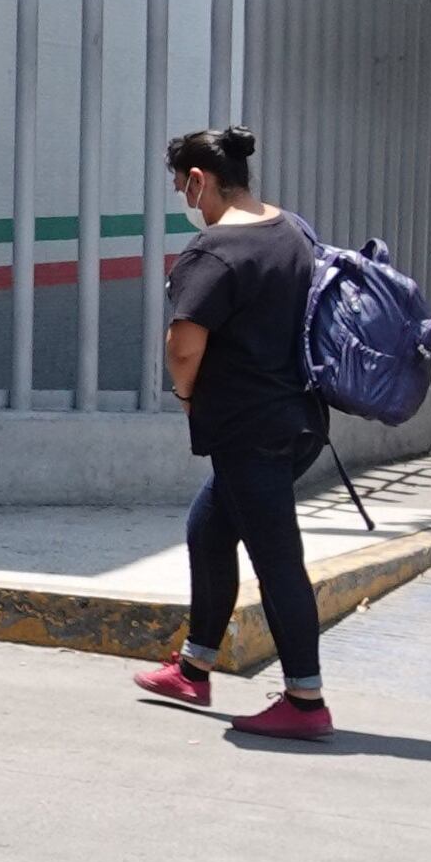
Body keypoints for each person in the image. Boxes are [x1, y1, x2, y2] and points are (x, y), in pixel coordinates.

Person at [126, 126, 335, 743]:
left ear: (200, 180)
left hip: (249, 429)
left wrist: (187, 397)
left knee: (278, 560)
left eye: (181, 186)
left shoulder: (214, 251)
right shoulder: (290, 231)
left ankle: (305, 700)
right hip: (300, 421)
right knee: (207, 527)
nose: (183, 198)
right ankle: (194, 668)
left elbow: (183, 349)